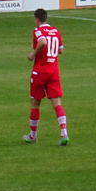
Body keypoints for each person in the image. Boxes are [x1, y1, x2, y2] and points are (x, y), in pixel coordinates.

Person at [23, 8, 68, 145]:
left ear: (36, 20)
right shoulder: (56, 31)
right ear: (46, 18)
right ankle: (64, 132)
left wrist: (33, 54)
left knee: (35, 103)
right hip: (53, 71)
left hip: (40, 72)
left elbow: (43, 42)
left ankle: (33, 135)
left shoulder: (37, 31)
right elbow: (60, 50)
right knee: (57, 103)